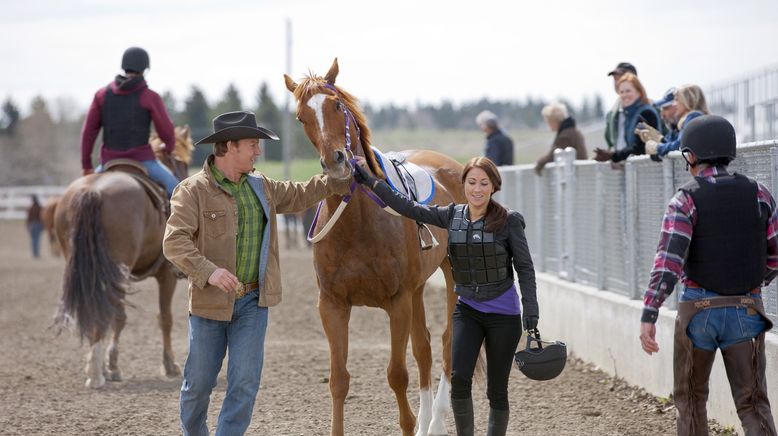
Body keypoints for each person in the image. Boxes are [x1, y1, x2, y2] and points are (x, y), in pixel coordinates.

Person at [163, 111, 350, 435]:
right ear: (229, 147)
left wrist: (340, 177)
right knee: (198, 387)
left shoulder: (261, 185)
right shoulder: (191, 190)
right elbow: (174, 241)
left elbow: (299, 193)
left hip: (253, 302)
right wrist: (209, 272)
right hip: (209, 304)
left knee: (245, 384)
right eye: (252, 145)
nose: (258, 152)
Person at [352, 155, 538, 436]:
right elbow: (408, 207)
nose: (477, 189)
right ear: (463, 185)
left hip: (504, 316)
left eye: (483, 183)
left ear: (493, 187)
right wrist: (371, 181)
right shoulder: (452, 215)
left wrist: (531, 310)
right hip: (468, 312)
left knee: (496, 390)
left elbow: (525, 268)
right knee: (459, 380)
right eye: (472, 182)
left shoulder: (509, 221)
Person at [638, 115, 777, 435]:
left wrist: (649, 312)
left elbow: (668, 263)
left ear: (690, 155)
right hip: (747, 307)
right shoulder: (759, 193)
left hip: (698, 310)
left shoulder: (685, 199)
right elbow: (775, 254)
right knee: (753, 402)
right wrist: (755, 282)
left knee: (690, 399)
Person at [81, 47, 180, 197]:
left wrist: (86, 165)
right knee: (179, 192)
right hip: (143, 161)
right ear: (145, 69)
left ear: (124, 67)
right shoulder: (149, 97)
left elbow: (88, 132)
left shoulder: (101, 95)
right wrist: (168, 147)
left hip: (108, 162)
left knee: (80, 196)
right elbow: (167, 130)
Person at [593, 73, 659, 163]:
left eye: (628, 91)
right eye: (621, 92)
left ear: (639, 92)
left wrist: (614, 155)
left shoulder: (645, 114)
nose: (624, 95)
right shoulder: (630, 115)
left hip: (649, 169)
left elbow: (641, 147)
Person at [639, 85, 710, 159]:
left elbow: (681, 145)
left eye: (677, 100)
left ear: (688, 101)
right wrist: (661, 139)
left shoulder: (693, 116)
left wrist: (657, 147)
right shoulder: (695, 117)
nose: (674, 104)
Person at [534, 102, 588, 175]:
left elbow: (553, 155)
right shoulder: (573, 131)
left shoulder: (565, 135)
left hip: (573, 176)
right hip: (578, 175)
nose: (548, 124)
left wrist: (539, 164)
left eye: (549, 121)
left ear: (554, 120)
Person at [604, 62, 638, 150]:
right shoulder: (611, 114)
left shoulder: (649, 108)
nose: (617, 82)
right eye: (615, 78)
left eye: (622, 78)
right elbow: (610, 143)